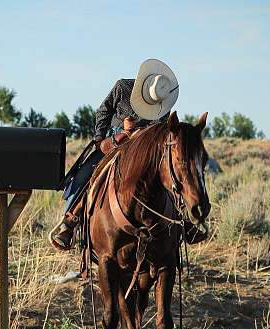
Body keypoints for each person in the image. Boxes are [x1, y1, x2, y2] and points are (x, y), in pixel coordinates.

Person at [49, 59, 179, 251]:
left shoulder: (163, 100)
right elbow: (103, 111)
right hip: (116, 142)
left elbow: (162, 131)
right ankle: (70, 220)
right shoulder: (123, 87)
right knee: (88, 174)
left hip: (146, 151)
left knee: (176, 176)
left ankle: (184, 223)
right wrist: (101, 139)